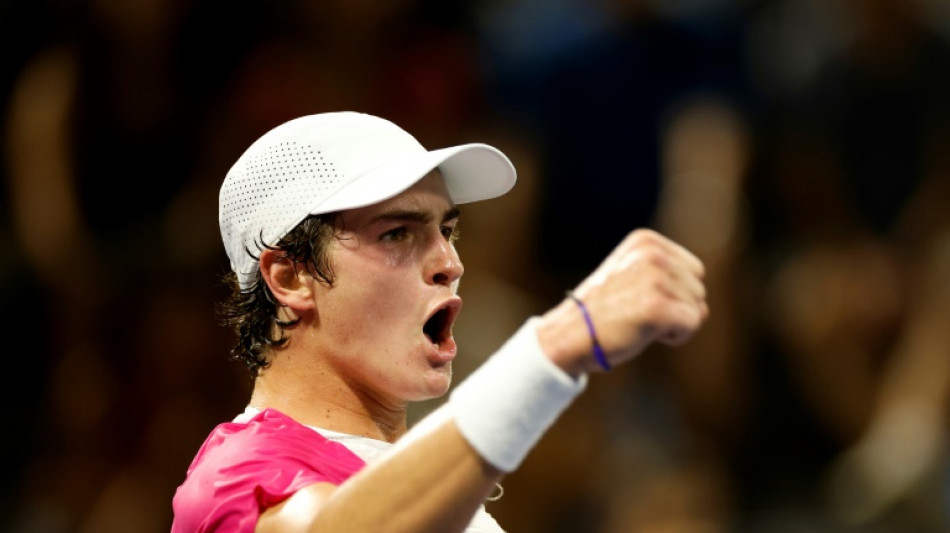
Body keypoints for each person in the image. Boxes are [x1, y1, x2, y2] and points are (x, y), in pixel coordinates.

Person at [170, 110, 709, 532]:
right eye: (396, 233)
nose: (451, 263)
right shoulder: (237, 473)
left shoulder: (423, 484)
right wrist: (556, 345)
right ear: (291, 278)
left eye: (446, 231)